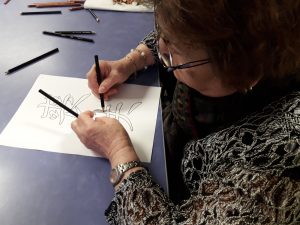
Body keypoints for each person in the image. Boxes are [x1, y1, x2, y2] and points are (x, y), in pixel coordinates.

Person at [71, 0, 300, 223]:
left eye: (172, 56)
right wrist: (131, 62)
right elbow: (188, 33)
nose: (161, 49)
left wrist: (118, 152)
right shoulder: (241, 37)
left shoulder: (271, 176)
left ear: (240, 70)